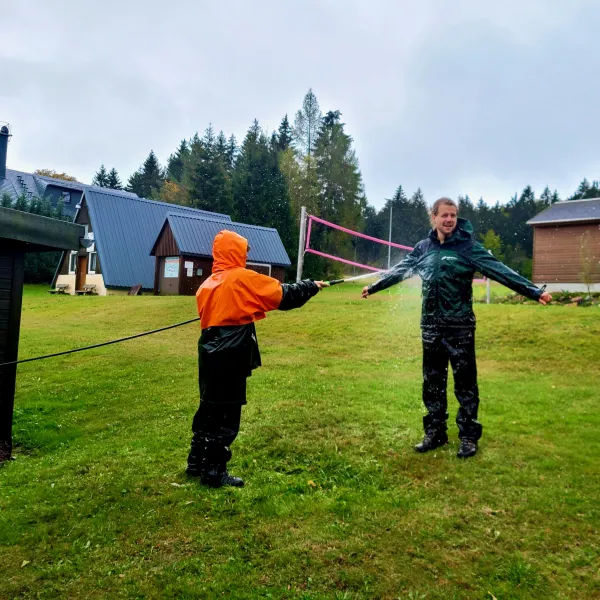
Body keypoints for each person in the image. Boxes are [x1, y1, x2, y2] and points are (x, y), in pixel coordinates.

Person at [362, 198, 552, 458]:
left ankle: (468, 437)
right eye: (444, 215)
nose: (449, 219)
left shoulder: (468, 247)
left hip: (460, 327)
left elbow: (500, 271)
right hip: (430, 327)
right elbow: (401, 270)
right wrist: (374, 286)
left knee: (465, 385)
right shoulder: (423, 248)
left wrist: (533, 291)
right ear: (434, 217)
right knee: (432, 383)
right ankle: (435, 432)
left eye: (453, 215)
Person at [187, 229, 329, 487]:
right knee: (227, 417)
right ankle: (214, 472)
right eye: (244, 249)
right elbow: (282, 296)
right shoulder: (242, 279)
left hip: (208, 352)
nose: (247, 253)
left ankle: (196, 462)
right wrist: (310, 286)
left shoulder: (207, 284)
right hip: (230, 353)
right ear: (234, 251)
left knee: (208, 409)